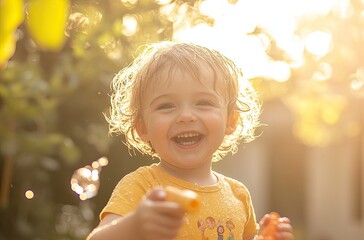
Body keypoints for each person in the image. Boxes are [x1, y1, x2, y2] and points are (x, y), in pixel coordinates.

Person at [87, 41, 294, 240]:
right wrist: (134, 226)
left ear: (230, 121)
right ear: (142, 127)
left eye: (203, 102)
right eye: (166, 105)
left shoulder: (238, 194)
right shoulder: (144, 186)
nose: (186, 116)